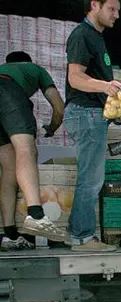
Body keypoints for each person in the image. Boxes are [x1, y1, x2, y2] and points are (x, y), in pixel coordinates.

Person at [64, 0, 121, 252]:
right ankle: (82, 238)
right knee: (91, 179)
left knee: (91, 178)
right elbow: (75, 77)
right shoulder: (82, 35)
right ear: (94, 5)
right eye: (112, 9)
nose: (117, 15)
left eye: (119, 10)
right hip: (86, 113)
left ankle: (79, 235)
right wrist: (105, 86)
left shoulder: (96, 37)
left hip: (92, 114)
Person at [0, 51, 68, 249]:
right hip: (7, 93)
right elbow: (59, 108)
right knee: (26, 150)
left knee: (9, 168)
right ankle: (36, 215)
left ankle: (10, 234)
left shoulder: (5, 70)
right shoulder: (35, 69)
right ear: (26, 63)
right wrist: (53, 128)